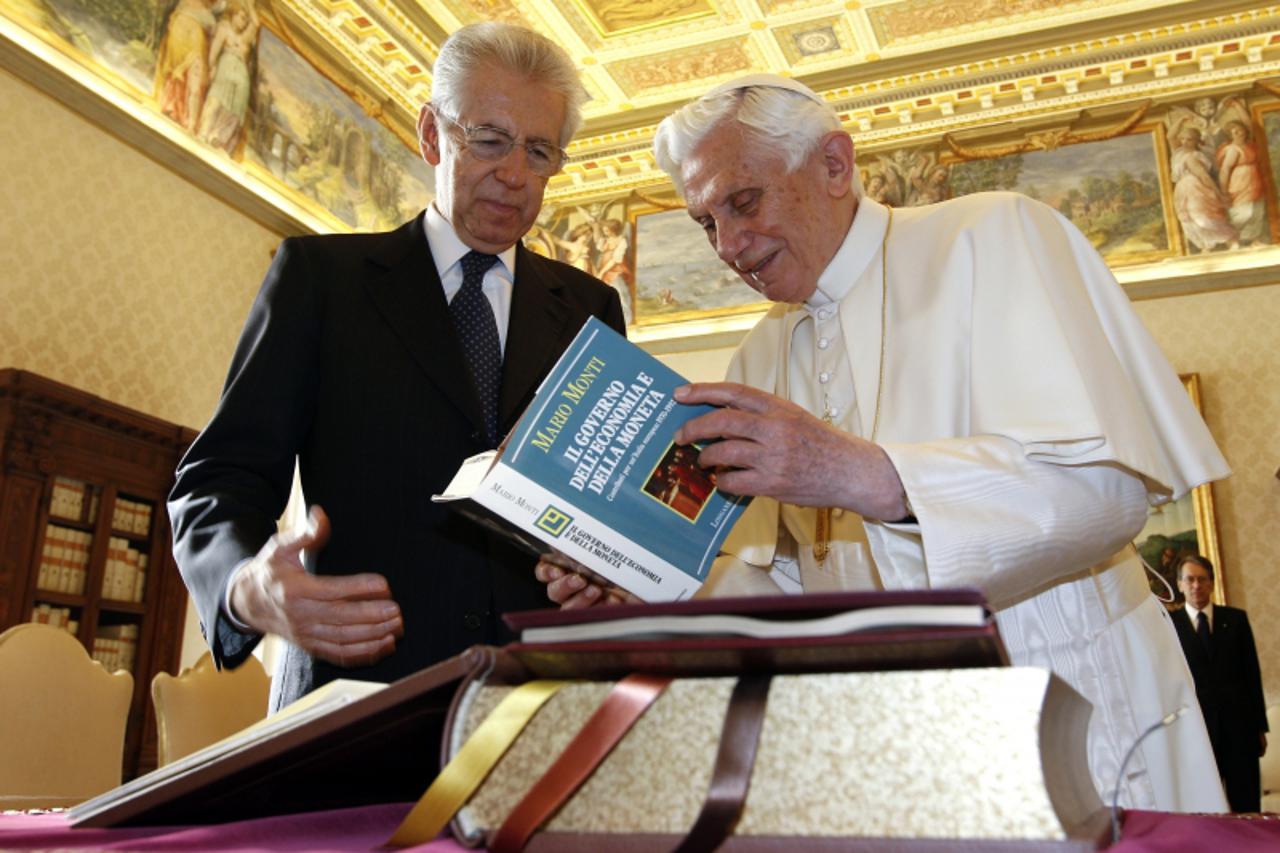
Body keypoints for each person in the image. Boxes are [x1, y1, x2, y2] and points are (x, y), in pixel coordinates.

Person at [539, 73, 1231, 813]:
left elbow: (1109, 493)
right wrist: (641, 587)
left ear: (835, 165)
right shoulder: (759, 355)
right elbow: (791, 587)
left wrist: (873, 477)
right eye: (706, 223)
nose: (728, 247)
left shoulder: (993, 236)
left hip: (1070, 705)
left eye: (743, 202)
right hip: (893, 744)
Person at [168, 21, 625, 712]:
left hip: (536, 710)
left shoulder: (591, 310)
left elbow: (606, 511)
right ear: (432, 134)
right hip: (351, 705)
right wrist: (243, 587)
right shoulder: (321, 281)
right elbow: (219, 480)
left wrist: (602, 569)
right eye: (490, 140)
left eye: (539, 151)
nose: (514, 174)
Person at [1170, 555, 1269, 812]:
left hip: (1240, 730)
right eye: (1190, 579)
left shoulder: (1236, 620)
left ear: (1211, 583)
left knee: (1247, 806)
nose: (1196, 585)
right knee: (1205, 808)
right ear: (1179, 584)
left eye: (1202, 579)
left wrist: (1260, 728)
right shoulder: (1169, 626)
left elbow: (1251, 675)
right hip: (1197, 732)